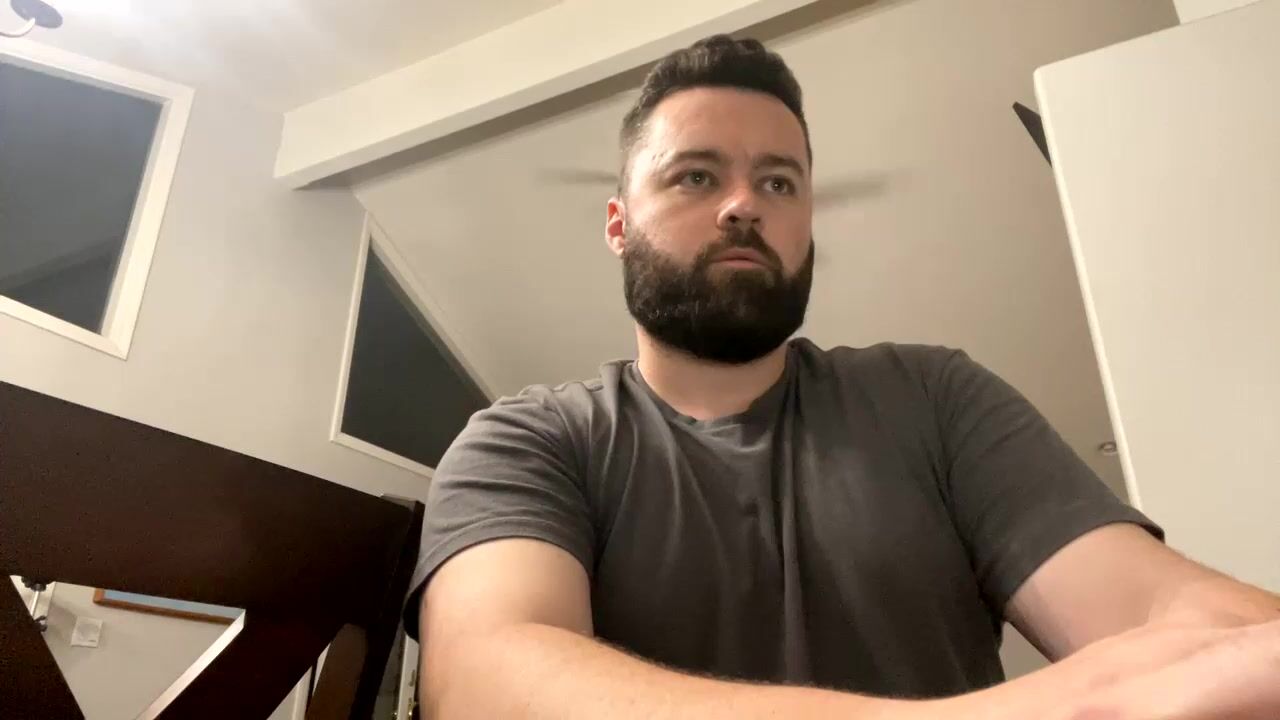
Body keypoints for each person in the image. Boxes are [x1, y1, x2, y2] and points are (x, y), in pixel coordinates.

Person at [403, 35, 1280, 719]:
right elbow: (483, 686)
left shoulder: (934, 397)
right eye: (696, 176)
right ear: (618, 224)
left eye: (779, 183)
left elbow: (1174, 617)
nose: (744, 205)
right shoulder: (525, 441)